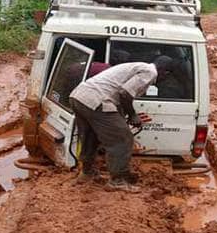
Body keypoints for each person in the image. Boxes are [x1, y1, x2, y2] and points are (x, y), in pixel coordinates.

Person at [69, 56, 175, 192]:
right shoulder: (150, 72)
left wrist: (123, 117)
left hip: (79, 97)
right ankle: (117, 180)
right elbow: (125, 93)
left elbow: (118, 95)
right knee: (122, 139)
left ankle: (86, 172)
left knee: (91, 136)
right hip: (96, 100)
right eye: (166, 77)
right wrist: (133, 115)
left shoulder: (138, 65)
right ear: (165, 72)